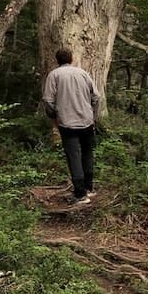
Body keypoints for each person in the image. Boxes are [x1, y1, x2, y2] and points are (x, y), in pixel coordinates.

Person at [43, 48, 100, 206]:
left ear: (57, 60)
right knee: (87, 153)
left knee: (73, 156)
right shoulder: (82, 73)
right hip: (87, 121)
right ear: (72, 58)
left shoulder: (54, 75)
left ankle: (81, 194)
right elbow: (96, 97)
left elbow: (48, 100)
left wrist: (53, 115)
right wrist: (93, 115)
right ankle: (89, 188)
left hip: (67, 123)